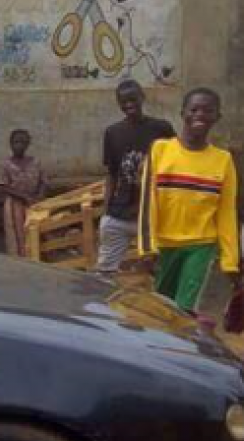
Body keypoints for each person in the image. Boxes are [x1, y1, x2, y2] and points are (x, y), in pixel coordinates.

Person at [139, 88, 240, 313]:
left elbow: (227, 214)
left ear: (217, 117)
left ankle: (181, 348)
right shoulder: (160, 150)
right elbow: (148, 204)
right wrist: (147, 247)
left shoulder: (223, 161)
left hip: (201, 246)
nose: (200, 115)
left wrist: (230, 260)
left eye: (208, 110)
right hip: (165, 245)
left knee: (185, 310)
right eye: (194, 109)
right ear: (182, 112)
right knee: (161, 307)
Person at [97, 80, 176, 276]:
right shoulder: (112, 132)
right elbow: (112, 173)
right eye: (123, 101)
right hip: (120, 212)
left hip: (153, 214)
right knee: (105, 270)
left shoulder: (161, 129)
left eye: (133, 99)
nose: (128, 105)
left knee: (161, 270)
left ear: (142, 97)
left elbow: (175, 165)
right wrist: (106, 209)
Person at [0, 129, 48, 257]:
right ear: (11, 144)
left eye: (23, 142)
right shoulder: (6, 164)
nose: (19, 145)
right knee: (16, 233)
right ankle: (19, 260)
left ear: (27, 144)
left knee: (35, 231)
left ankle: (36, 257)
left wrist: (39, 197)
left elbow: (44, 182)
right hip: (14, 205)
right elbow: (3, 186)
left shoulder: (36, 162)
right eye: (16, 142)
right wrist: (24, 197)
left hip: (34, 202)